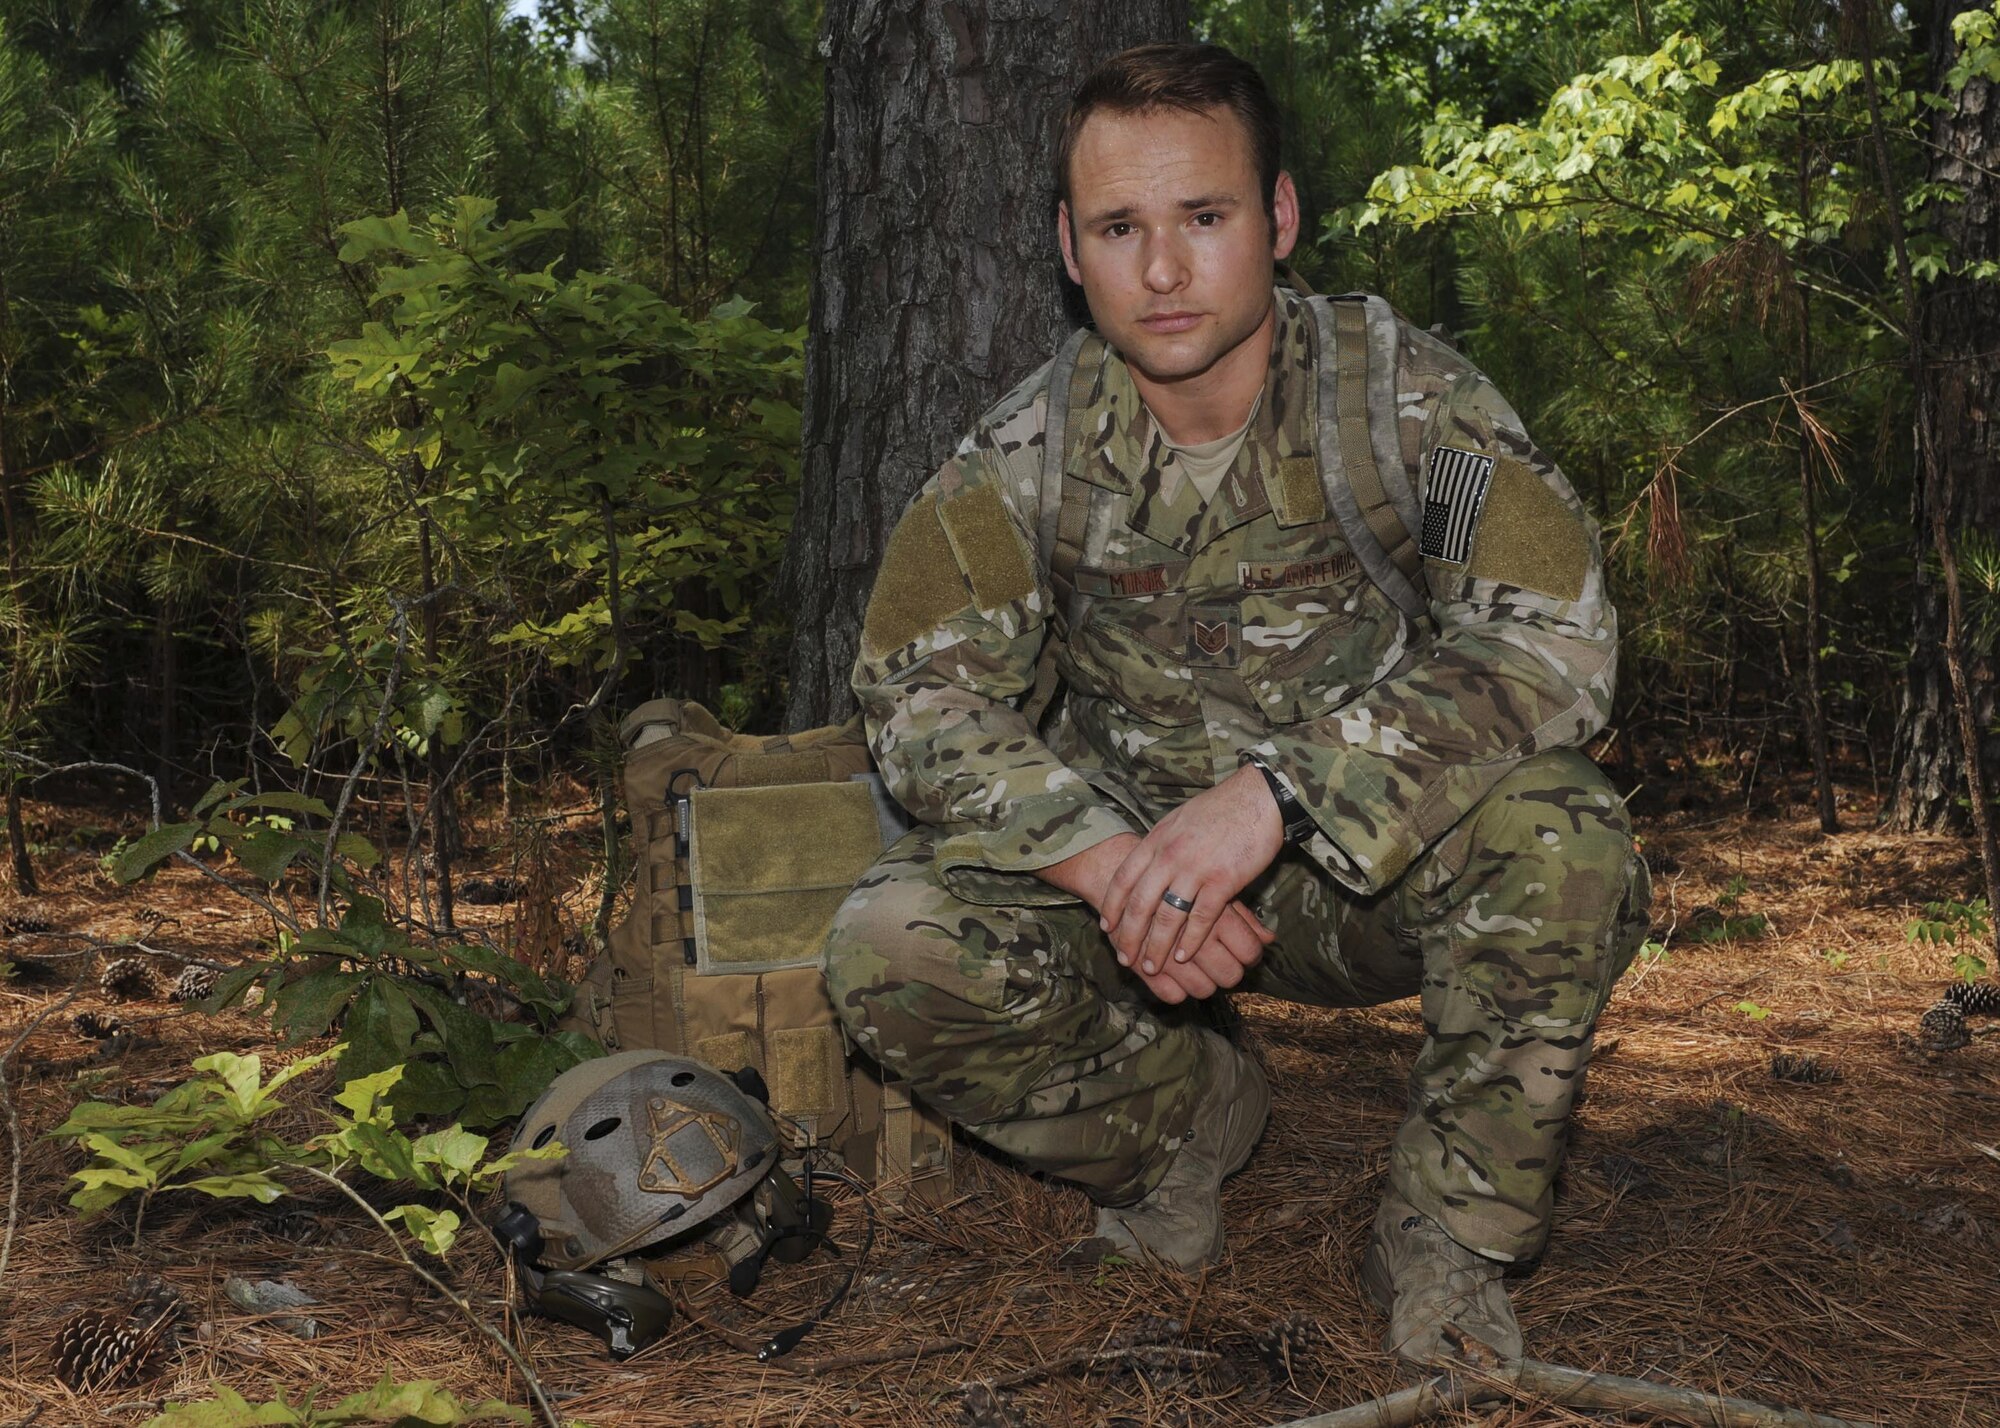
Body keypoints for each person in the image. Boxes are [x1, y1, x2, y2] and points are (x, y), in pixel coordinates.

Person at [821, 41, 1650, 1368]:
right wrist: (1103, 865)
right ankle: (1183, 1130)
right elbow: (916, 692)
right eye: (1119, 227)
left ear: (1277, 218)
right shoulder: (1025, 459)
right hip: (1141, 897)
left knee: (1567, 839)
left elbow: (1553, 644)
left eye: (1203, 218)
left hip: (1359, 880)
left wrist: (1272, 800)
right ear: (1065, 245)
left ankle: (1447, 1240)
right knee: (891, 942)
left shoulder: (1403, 411)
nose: (1161, 271)